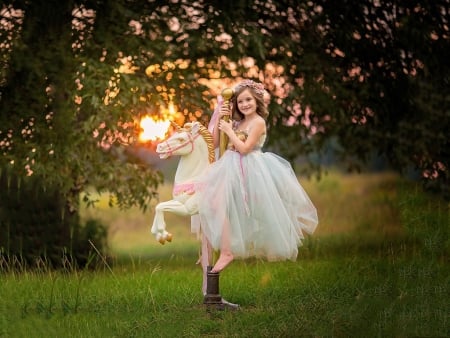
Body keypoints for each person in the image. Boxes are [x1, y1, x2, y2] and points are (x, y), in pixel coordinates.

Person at [197, 79, 318, 273]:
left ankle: (233, 250)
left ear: (257, 101)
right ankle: (222, 249)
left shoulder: (258, 122)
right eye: (240, 102)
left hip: (249, 169)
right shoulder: (237, 122)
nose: (244, 104)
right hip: (228, 166)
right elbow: (215, 144)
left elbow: (245, 148)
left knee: (252, 211)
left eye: (248, 100)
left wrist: (230, 131)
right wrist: (221, 121)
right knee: (212, 203)